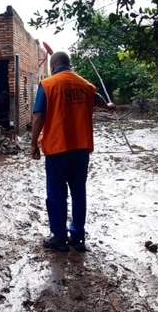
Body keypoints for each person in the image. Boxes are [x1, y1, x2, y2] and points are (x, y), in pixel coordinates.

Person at [30, 51, 116, 252]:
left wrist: (33, 143)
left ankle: (59, 238)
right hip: (81, 149)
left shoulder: (49, 85)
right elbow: (101, 101)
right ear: (69, 64)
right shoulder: (86, 85)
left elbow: (38, 116)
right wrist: (110, 107)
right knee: (79, 193)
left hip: (57, 149)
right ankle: (77, 237)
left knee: (56, 194)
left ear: (52, 67)